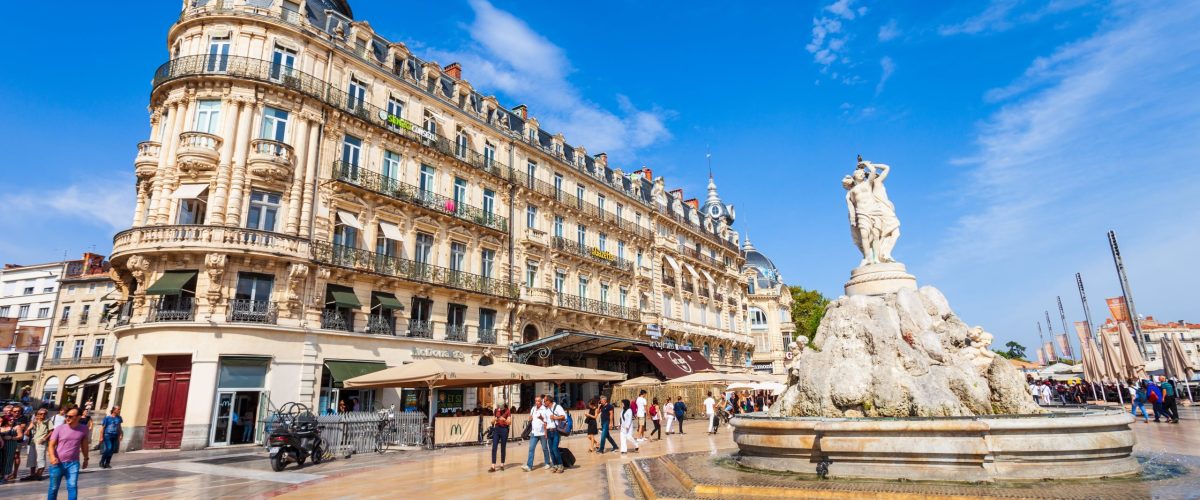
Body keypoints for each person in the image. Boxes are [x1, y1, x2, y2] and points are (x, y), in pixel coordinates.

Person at [47, 407, 88, 500]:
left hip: (73, 463)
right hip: (57, 463)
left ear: (78, 417)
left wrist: (86, 458)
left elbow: (84, 445)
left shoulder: (84, 429)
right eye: (66, 416)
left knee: (72, 486)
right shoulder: (59, 428)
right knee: (53, 488)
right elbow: (51, 445)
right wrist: (52, 457)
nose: (67, 418)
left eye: (70, 416)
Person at [522, 396, 551, 472]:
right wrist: (530, 418)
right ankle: (529, 466)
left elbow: (546, 421)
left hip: (542, 432)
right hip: (534, 432)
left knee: (544, 448)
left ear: (541, 402)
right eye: (536, 401)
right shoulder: (533, 409)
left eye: (538, 401)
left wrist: (546, 432)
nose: (537, 402)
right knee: (531, 449)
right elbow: (531, 418)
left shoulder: (544, 409)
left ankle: (547, 463)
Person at [24, 407, 50, 481]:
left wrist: (44, 438)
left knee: (40, 459)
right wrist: (28, 429)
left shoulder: (48, 421)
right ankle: (32, 475)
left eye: (44, 414)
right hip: (33, 442)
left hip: (41, 442)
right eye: (39, 414)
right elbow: (28, 433)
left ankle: (39, 475)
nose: (41, 415)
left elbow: (52, 431)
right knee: (32, 459)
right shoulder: (34, 422)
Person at [544, 394, 566, 473]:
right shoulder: (546, 410)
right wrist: (545, 433)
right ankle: (555, 465)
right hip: (549, 431)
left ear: (549, 401)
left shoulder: (557, 407)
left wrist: (555, 417)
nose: (544, 402)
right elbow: (545, 422)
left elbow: (564, 416)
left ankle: (560, 465)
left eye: (545, 400)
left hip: (556, 430)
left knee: (554, 448)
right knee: (551, 449)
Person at [488, 403, 510, 472]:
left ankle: (502, 464)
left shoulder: (507, 411)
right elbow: (492, 421)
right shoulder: (495, 410)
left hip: (504, 429)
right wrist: (494, 419)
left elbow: (509, 422)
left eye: (501, 408)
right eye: (499, 408)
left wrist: (504, 419)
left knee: (503, 447)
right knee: (494, 447)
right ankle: (493, 466)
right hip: (497, 429)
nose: (500, 410)